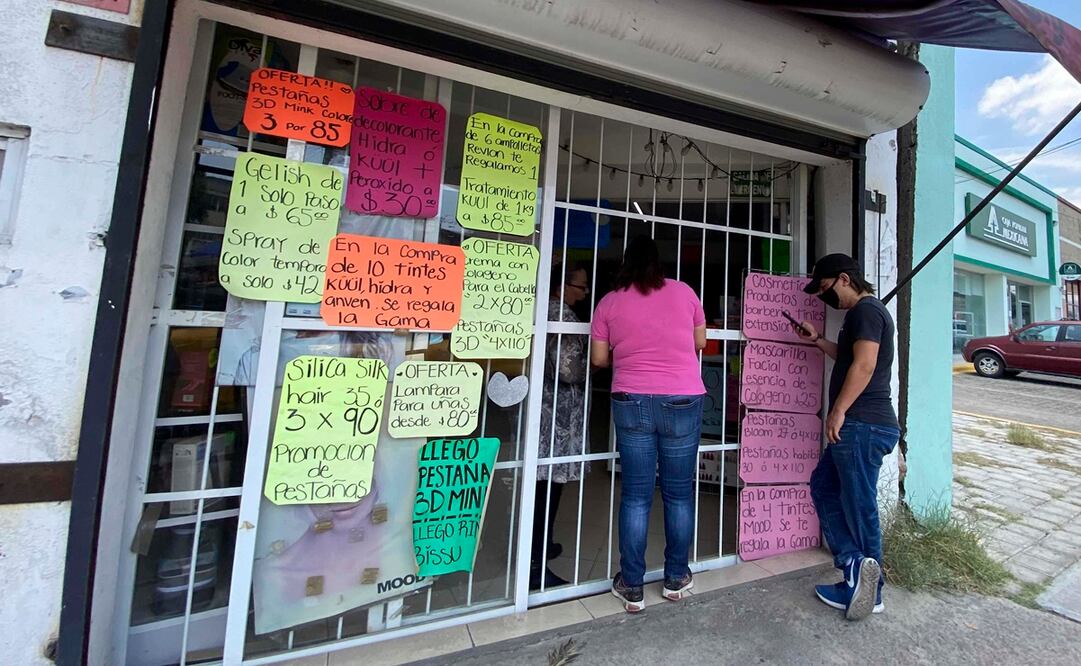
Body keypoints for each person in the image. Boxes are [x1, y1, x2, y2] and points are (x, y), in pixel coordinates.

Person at [591, 236, 707, 612]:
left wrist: (631, 352)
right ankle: (675, 578)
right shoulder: (685, 292)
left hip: (632, 398)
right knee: (678, 493)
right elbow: (701, 342)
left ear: (625, 263)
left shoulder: (609, 302)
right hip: (682, 398)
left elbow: (599, 360)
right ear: (659, 263)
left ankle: (632, 585)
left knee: (636, 496)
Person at [794, 253, 900, 621]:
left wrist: (838, 409)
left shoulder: (865, 311)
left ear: (844, 278)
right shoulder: (863, 314)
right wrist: (818, 340)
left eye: (826, 288)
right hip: (862, 426)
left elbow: (865, 365)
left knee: (859, 504)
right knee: (824, 486)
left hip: (862, 424)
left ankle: (873, 589)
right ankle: (855, 564)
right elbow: (849, 356)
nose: (825, 297)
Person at [531, 264, 592, 590]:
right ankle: (535, 563)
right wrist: (596, 363)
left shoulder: (540, 309)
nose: (585, 292)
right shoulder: (563, 317)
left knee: (540, 484)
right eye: (580, 286)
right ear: (560, 286)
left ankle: (542, 545)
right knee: (547, 488)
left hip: (540, 411)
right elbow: (569, 372)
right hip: (556, 416)